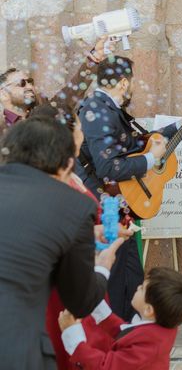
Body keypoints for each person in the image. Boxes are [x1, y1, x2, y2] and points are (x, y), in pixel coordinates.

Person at [79, 55, 182, 320]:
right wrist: (151, 160)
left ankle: (129, 329)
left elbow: (140, 143)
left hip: (120, 202)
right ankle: (115, 334)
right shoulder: (98, 109)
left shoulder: (108, 107)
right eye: (131, 80)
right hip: (107, 206)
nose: (132, 85)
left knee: (130, 272)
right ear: (123, 82)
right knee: (115, 273)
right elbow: (107, 168)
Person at [0, 116, 123, 369]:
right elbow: (80, 300)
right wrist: (103, 266)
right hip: (14, 348)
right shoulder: (74, 206)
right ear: (67, 164)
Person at [59, 267, 182, 369]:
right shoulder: (160, 328)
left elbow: (106, 366)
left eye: (142, 288)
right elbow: (125, 332)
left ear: (149, 309)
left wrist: (73, 335)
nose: (138, 287)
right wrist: (97, 304)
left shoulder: (148, 346)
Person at [0, 37, 107, 134]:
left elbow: (70, 94)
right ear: (3, 94)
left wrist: (94, 59)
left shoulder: (42, 107)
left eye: (30, 82)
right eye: (22, 83)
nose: (29, 86)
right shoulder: (2, 130)